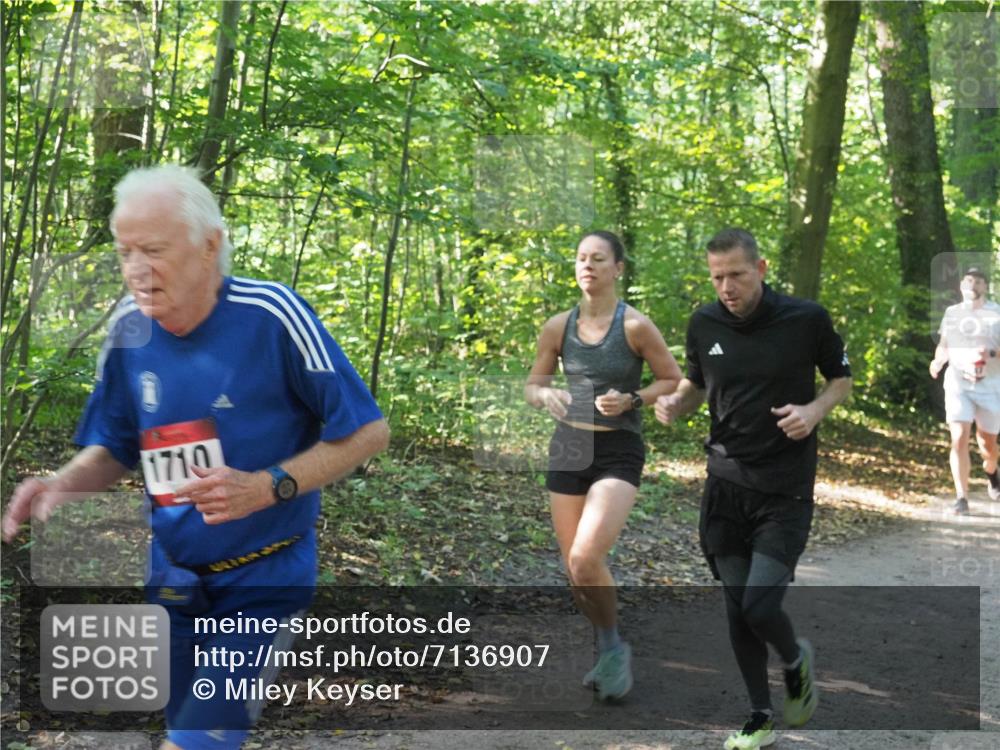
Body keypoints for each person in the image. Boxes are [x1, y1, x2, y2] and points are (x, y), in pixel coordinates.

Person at [1, 164, 390, 750]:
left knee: (197, 740)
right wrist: (61, 483)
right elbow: (115, 446)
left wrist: (269, 485)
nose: (136, 269)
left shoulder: (272, 315)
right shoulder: (128, 330)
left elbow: (368, 432)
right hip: (173, 577)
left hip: (265, 577)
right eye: (125, 252)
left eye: (153, 250)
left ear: (210, 245)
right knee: (185, 727)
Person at [655, 228, 851, 750]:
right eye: (717, 277)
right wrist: (675, 403)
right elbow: (697, 384)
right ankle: (759, 716)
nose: (727, 287)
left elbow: (840, 379)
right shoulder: (704, 322)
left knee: (759, 606)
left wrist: (813, 411)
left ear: (761, 269)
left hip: (784, 488)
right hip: (725, 485)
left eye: (737, 275)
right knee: (735, 607)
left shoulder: (806, 319)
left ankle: (795, 660)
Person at [524, 230, 682, 701]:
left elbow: (671, 378)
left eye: (598, 259)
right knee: (576, 573)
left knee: (585, 557)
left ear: (618, 268)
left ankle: (613, 650)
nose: (587, 266)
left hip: (618, 449)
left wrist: (633, 398)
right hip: (569, 448)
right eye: (581, 258)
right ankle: (606, 647)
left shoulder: (634, 326)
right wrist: (546, 395)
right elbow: (532, 386)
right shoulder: (558, 326)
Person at [929, 266, 1000, 515]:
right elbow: (944, 345)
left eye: (978, 281)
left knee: (987, 445)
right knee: (958, 437)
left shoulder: (996, 314)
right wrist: (938, 361)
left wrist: (990, 353)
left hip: (991, 386)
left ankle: (992, 471)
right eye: (969, 280)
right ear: (961, 285)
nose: (973, 285)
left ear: (985, 287)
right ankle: (961, 498)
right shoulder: (952, 313)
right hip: (959, 383)